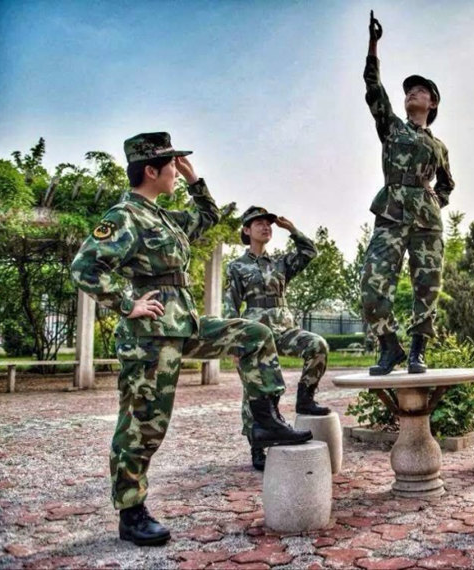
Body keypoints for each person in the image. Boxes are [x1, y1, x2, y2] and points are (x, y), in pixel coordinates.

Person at [70, 133, 311, 547]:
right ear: (151, 170)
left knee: (253, 334)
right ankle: (131, 511)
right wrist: (128, 303)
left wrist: (195, 179)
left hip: (185, 325)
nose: (176, 175)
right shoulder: (126, 215)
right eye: (171, 167)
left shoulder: (164, 217)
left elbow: (208, 216)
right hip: (150, 336)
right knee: (144, 424)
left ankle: (265, 421)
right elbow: (85, 266)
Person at [360, 10, 455, 376]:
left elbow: (447, 183)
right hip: (391, 213)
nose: (411, 93)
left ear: (432, 103)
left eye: (420, 90)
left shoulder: (440, 147)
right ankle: (389, 347)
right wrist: (373, 46)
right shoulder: (392, 127)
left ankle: (418, 350)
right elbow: (373, 89)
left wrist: (437, 201)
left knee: (427, 286)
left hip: (427, 223)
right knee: (372, 282)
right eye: (408, 91)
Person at [224, 206, 331, 471]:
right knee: (256, 387)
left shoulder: (280, 263)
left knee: (318, 345)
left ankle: (305, 398)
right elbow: (230, 304)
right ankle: (257, 446)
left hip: (284, 328)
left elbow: (310, 252)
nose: (266, 227)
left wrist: (292, 230)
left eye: (269, 224)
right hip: (255, 333)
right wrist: (234, 340)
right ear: (247, 230)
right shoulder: (237, 267)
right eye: (259, 223)